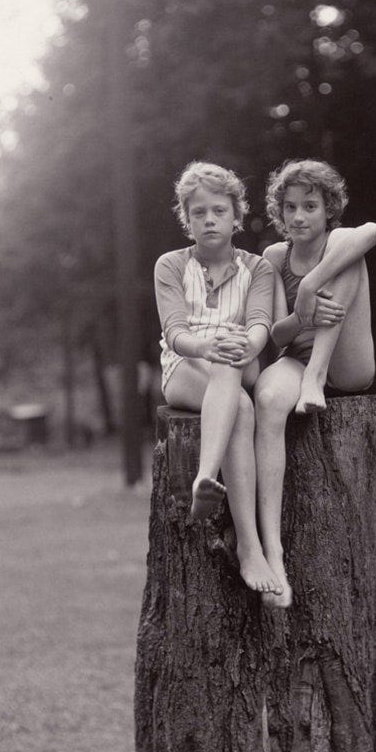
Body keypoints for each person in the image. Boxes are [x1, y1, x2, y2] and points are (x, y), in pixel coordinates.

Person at [253, 160, 376, 607]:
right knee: (268, 398)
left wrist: (310, 283)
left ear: (329, 208)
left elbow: (375, 231)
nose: (299, 217)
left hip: (345, 365)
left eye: (310, 206)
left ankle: (315, 378)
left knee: (348, 251)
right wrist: (301, 312)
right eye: (290, 207)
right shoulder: (274, 258)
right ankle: (273, 553)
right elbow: (276, 335)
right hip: (297, 356)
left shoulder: (340, 237)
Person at [154, 161, 283, 596]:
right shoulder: (170, 265)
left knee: (232, 350)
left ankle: (203, 477)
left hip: (239, 357)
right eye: (198, 213)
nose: (209, 220)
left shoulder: (258, 268)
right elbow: (175, 333)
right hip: (186, 367)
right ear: (186, 219)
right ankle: (251, 548)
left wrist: (243, 345)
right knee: (241, 410)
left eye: (219, 211)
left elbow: (262, 323)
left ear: (236, 215)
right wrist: (204, 347)